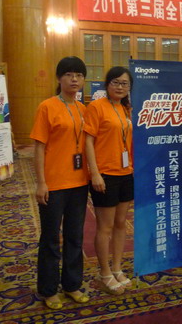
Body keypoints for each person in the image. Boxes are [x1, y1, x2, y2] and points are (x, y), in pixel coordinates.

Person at [30, 56, 90, 310]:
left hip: (79, 183)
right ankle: (48, 289)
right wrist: (41, 183)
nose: (74, 79)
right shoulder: (47, 107)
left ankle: (72, 285)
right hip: (53, 184)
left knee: (75, 237)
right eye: (69, 74)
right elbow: (39, 148)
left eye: (79, 75)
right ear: (59, 78)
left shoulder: (84, 109)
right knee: (51, 239)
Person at [84, 66, 134, 295]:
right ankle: (105, 272)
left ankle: (117, 267)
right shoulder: (96, 107)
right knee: (105, 226)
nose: (120, 87)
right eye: (116, 82)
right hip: (105, 174)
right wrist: (94, 172)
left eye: (125, 83)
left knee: (121, 222)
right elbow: (88, 141)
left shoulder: (125, 109)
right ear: (107, 84)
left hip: (126, 173)